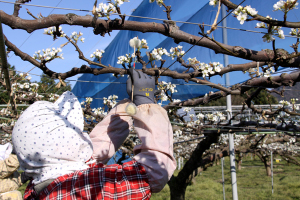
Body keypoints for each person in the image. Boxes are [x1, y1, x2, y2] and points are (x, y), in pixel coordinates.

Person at [12, 69, 176, 200]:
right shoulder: (86, 189)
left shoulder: (41, 187)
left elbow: (91, 155)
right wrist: (146, 104)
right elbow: (153, 171)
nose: (82, 135)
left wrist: (127, 108)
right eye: (77, 133)